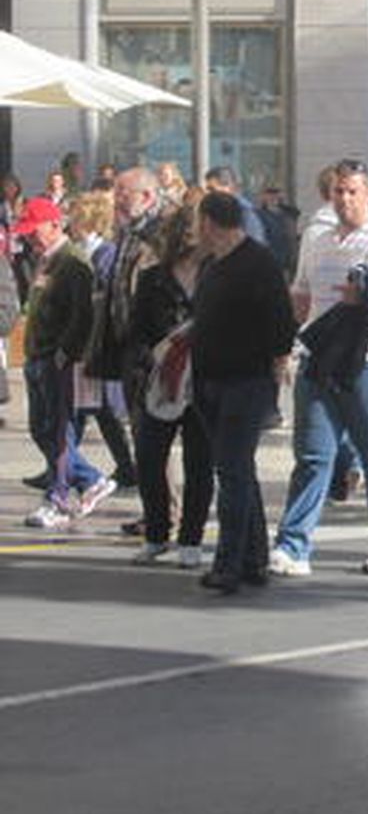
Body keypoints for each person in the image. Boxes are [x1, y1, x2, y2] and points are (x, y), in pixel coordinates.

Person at [271, 158, 368, 577]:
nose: (345, 199)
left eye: (353, 191)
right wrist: (286, 344)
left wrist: (367, 294)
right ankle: (293, 545)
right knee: (313, 455)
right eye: (339, 191)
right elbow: (301, 295)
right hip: (319, 359)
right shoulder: (318, 240)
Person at [190, 191, 296, 593]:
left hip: (246, 381)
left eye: (201, 222)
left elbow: (282, 323)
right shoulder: (211, 265)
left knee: (232, 473)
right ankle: (253, 557)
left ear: (211, 223)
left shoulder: (258, 262)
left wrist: (275, 365)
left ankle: (229, 562)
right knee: (239, 471)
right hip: (211, 380)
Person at [16, 197, 117, 527]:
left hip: (56, 360)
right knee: (42, 428)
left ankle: (58, 498)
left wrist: (66, 352)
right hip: (39, 356)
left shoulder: (72, 262)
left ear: (55, 225)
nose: (31, 237)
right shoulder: (47, 260)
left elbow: (82, 314)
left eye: (36, 230)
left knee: (59, 433)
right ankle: (90, 480)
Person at [129, 200, 214, 567]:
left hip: (206, 380)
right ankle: (156, 534)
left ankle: (191, 539)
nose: (194, 235)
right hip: (163, 380)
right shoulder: (154, 278)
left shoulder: (219, 274)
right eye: (189, 228)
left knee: (200, 462)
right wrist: (150, 358)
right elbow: (135, 332)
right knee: (149, 458)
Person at [66, 190, 138, 487]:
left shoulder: (104, 254)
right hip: (88, 345)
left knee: (92, 410)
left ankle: (64, 464)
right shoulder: (86, 251)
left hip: (97, 344)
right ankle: (64, 463)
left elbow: (104, 301)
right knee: (89, 410)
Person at [202, 165, 267, 246]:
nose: (208, 194)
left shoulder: (244, 212)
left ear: (228, 187)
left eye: (212, 189)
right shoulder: (217, 210)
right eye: (208, 189)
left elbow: (255, 245)